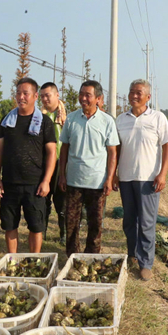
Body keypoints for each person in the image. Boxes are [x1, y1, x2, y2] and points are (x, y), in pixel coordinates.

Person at [114, 79, 168, 281]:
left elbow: (167, 146)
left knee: (147, 222)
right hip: (126, 178)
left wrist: (163, 173)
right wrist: (114, 172)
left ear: (148, 97)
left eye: (138, 92)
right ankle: (132, 254)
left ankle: (146, 262)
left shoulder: (158, 118)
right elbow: (117, 148)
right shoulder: (121, 119)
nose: (134, 96)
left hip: (148, 179)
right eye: (131, 92)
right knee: (129, 220)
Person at [0, 78, 57, 253]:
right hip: (10, 183)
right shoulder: (7, 121)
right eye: (18, 93)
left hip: (35, 184)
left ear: (35, 96)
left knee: (36, 226)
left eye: (25, 93)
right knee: (9, 224)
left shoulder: (44, 122)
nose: (21, 97)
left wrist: (46, 181)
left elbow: (52, 152)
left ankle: (34, 259)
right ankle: (12, 259)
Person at [57, 80, 120, 256]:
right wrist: (62, 175)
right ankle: (72, 256)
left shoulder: (107, 121)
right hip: (73, 180)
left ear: (99, 98)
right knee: (71, 222)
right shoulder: (71, 118)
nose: (83, 98)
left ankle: (92, 256)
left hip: (97, 182)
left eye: (88, 95)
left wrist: (109, 178)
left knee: (95, 223)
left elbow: (112, 153)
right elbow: (64, 148)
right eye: (81, 94)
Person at [39, 82, 68, 244]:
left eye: (47, 95)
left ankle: (63, 234)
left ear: (57, 95)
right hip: (43, 164)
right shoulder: (38, 117)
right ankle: (41, 233)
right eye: (42, 96)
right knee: (43, 200)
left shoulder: (67, 118)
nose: (44, 99)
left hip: (61, 164)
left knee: (62, 202)